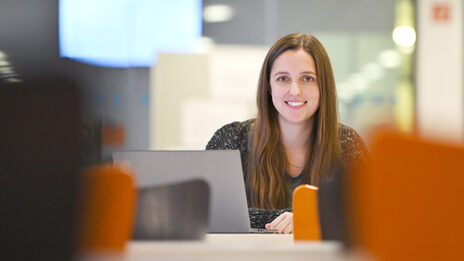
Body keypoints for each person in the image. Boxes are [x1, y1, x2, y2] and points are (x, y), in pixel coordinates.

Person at [206, 33, 368, 234]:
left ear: (322, 86)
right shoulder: (231, 139)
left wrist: (314, 216)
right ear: (269, 86)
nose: (295, 90)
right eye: (283, 78)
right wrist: (306, 214)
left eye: (307, 78)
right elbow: (210, 213)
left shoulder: (347, 143)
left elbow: (372, 215)